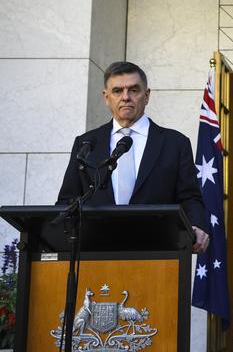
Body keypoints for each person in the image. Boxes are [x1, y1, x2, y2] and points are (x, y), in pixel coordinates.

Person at [56, 61, 210, 253]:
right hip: (96, 252)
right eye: (117, 91)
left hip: (158, 252)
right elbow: (68, 199)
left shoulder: (175, 143)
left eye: (134, 90)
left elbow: (189, 197)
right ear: (106, 97)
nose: (126, 97)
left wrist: (197, 224)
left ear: (147, 96)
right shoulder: (86, 144)